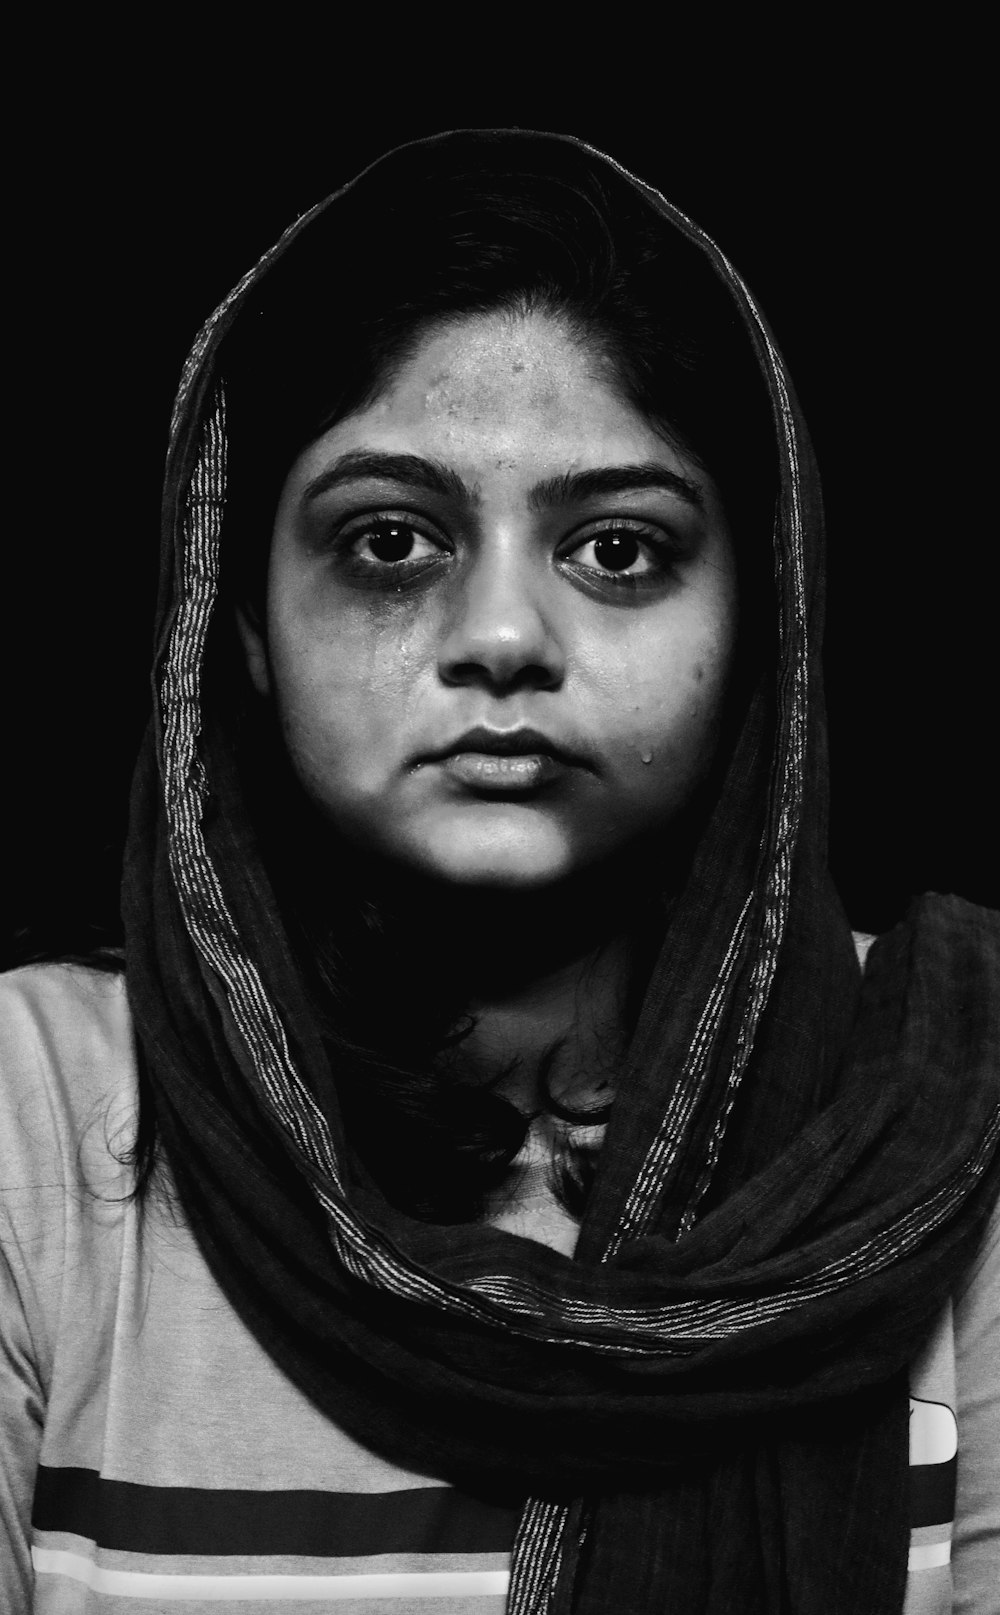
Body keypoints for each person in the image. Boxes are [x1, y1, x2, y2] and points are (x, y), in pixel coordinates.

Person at [1, 128, 997, 1615]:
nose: (506, 636)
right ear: (245, 624)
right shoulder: (38, 1113)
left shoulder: (941, 1113)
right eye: (391, 539)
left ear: (762, 628)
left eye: (615, 550)